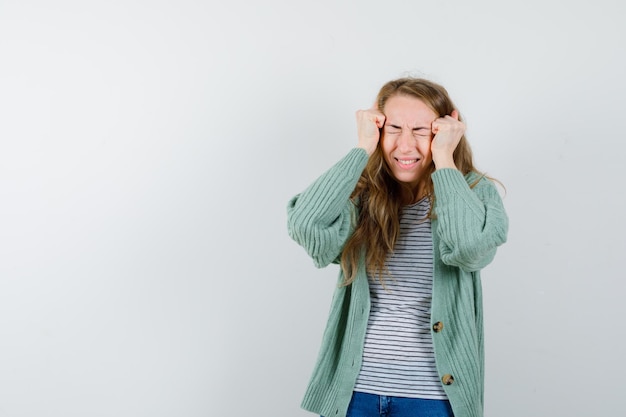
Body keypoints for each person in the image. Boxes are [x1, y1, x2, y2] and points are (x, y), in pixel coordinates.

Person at [286, 77, 508, 417]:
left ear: (444, 131)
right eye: (394, 128)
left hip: (433, 399)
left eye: (421, 130)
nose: (405, 145)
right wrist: (361, 149)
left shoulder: (473, 192)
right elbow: (307, 225)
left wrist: (445, 161)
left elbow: (471, 248)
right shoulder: (361, 198)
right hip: (355, 393)